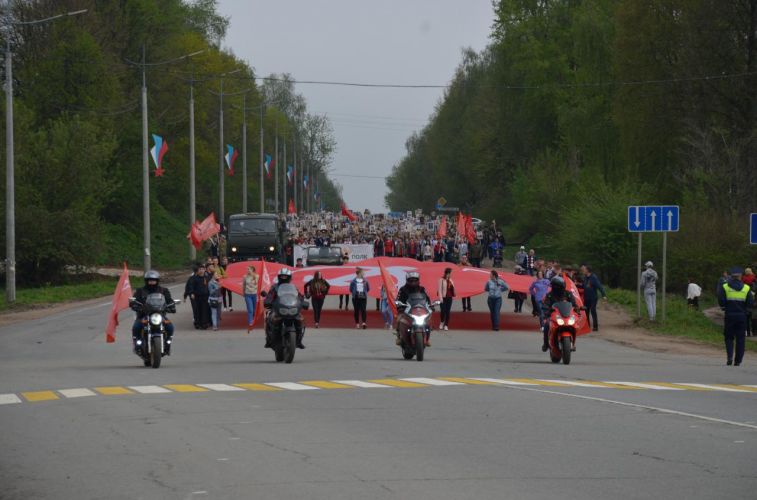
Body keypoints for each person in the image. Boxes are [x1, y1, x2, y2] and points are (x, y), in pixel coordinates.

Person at [131, 271, 176, 353]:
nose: (152, 282)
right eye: (150, 280)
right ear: (146, 281)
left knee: (170, 327)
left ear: (157, 281)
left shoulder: (163, 290)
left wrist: (172, 306)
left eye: (153, 280)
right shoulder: (140, 291)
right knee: (136, 327)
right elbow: (134, 300)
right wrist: (134, 305)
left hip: (159, 315)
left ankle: (167, 343)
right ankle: (137, 345)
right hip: (144, 315)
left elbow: (169, 300)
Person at [717, 267, 754, 366]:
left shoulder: (725, 287)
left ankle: (729, 357)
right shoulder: (746, 288)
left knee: (729, 337)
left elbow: (721, 299)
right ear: (741, 276)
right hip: (742, 316)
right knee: (741, 338)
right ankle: (738, 361)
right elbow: (750, 302)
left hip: (729, 315)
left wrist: (724, 308)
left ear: (731, 276)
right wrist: (746, 311)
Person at [263, 268, 306, 349]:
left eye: (285, 276)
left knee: (300, 319)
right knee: (269, 317)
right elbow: (270, 296)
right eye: (282, 276)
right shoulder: (274, 287)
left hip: (291, 308)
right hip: (277, 308)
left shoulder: (293, 287)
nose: (284, 278)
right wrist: (268, 301)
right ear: (279, 277)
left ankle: (299, 341)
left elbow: (299, 296)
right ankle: (269, 340)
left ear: (289, 277)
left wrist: (302, 302)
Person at [541, 276, 579, 352]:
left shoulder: (568, 294)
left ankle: (572, 343)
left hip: (566, 315)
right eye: (555, 286)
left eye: (558, 286)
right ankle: (546, 344)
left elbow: (574, 304)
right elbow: (546, 304)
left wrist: (577, 309)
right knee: (546, 325)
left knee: (575, 324)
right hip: (554, 315)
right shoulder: (550, 295)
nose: (556, 287)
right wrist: (546, 309)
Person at [396, 271, 432, 346]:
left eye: (415, 280)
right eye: (411, 280)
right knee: (399, 318)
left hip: (419, 309)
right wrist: (399, 306)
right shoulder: (403, 289)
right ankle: (399, 336)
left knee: (428, 320)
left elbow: (427, 299)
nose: (413, 282)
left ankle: (427, 339)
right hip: (406, 309)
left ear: (418, 280)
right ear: (407, 280)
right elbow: (398, 299)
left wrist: (430, 306)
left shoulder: (422, 289)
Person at [581, 264, 607, 331]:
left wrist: (604, 295)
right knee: (586, 311)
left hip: (593, 297)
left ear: (588, 270)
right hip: (586, 298)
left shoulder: (593, 277)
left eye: (585, 269)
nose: (583, 270)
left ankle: (595, 327)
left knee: (593, 310)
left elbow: (599, 286)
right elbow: (583, 286)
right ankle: (587, 326)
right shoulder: (585, 277)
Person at [187, 264, 210, 329]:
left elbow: (209, 286)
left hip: (205, 296)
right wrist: (191, 293)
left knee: (204, 310)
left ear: (205, 270)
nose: (201, 271)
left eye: (202, 269)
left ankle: (204, 323)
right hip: (197, 297)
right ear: (198, 270)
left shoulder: (206, 278)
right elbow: (191, 286)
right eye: (200, 269)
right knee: (197, 310)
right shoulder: (194, 278)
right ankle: (197, 323)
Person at [242, 265, 259, 332]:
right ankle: (250, 322)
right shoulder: (245, 277)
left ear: (252, 270)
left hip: (255, 294)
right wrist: (243, 292)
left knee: (255, 309)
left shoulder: (257, 276)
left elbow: (259, 284)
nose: (247, 270)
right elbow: (243, 285)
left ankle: (254, 319)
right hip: (247, 294)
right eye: (247, 269)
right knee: (250, 309)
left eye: (249, 269)